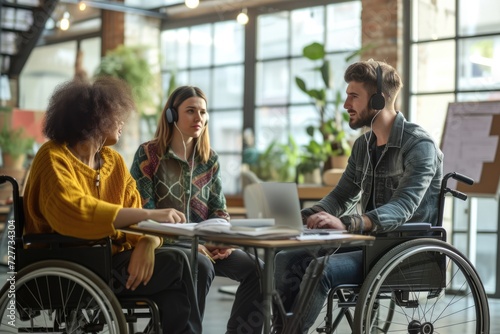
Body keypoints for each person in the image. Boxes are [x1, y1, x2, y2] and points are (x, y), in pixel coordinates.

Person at [273, 60, 443, 333]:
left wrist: (349, 223)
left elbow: (403, 206)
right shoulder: (362, 146)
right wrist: (306, 216)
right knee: (285, 258)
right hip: (368, 244)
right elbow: (341, 196)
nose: (345, 104)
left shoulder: (419, 145)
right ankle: (281, 329)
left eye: (354, 96)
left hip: (402, 249)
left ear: (378, 99)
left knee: (322, 269)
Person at [23, 77, 202, 334]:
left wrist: (148, 242)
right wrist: (151, 214)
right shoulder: (53, 157)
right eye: (116, 115)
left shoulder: (114, 162)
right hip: (72, 262)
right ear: (95, 119)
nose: (122, 122)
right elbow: (74, 210)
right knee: (178, 263)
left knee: (196, 264)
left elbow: (137, 215)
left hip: (109, 260)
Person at [130, 85, 264, 334]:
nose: (198, 118)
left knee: (258, 269)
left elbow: (219, 210)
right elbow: (142, 212)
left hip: (206, 245)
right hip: (165, 244)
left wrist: (221, 239)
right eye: (191, 111)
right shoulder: (149, 155)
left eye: (202, 112)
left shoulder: (209, 159)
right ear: (172, 115)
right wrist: (190, 243)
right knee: (200, 264)